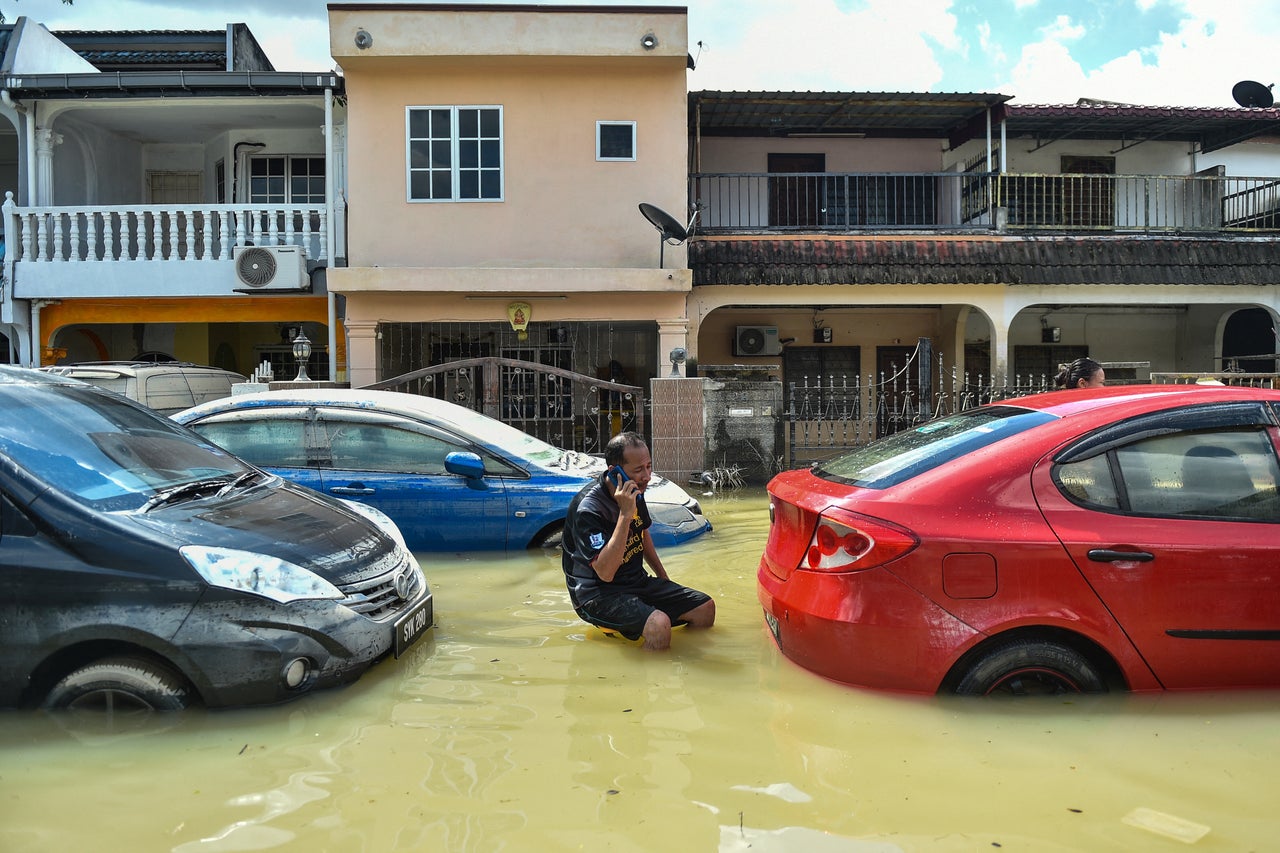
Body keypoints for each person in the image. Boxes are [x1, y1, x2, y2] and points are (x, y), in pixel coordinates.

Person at [561, 431, 715, 650]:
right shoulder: (589, 509)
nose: (647, 476)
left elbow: (642, 533)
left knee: (705, 608)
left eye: (649, 466)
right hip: (596, 595)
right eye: (638, 470)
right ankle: (644, 680)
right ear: (616, 473)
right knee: (658, 624)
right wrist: (625, 514)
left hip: (635, 582)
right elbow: (605, 572)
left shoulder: (635, 492)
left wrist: (663, 577)